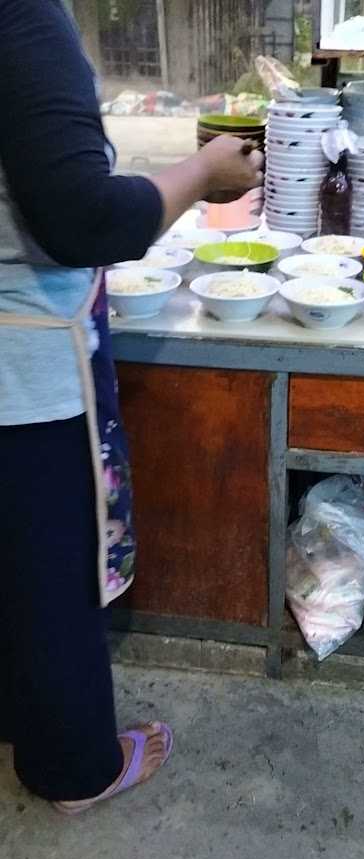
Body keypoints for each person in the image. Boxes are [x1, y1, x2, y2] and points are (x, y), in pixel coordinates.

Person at [0, 0, 264, 814]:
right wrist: (202, 175)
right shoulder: (23, 16)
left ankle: (20, 716)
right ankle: (74, 770)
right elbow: (85, 218)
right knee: (50, 572)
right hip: (21, 369)